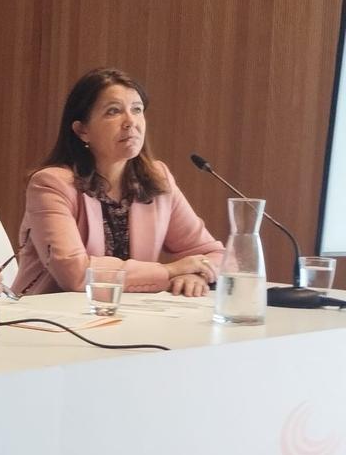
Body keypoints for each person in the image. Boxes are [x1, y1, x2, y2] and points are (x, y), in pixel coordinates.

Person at [12, 67, 224, 296]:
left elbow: (214, 254)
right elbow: (75, 274)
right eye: (113, 111)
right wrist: (169, 271)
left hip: (131, 320)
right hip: (51, 322)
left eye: (137, 109)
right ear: (82, 130)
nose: (130, 121)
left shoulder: (156, 179)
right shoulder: (50, 185)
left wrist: (194, 274)